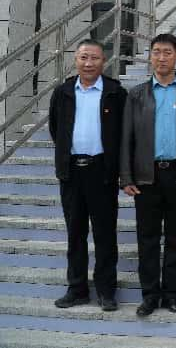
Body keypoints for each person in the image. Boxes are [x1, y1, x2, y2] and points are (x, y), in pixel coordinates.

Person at [119, 34, 176, 317]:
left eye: (167, 52)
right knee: (148, 239)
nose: (162, 57)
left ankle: (172, 294)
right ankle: (150, 295)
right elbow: (127, 138)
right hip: (147, 177)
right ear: (150, 56)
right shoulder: (137, 94)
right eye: (156, 52)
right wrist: (126, 176)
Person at [49, 40, 126, 312]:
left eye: (94, 58)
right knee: (75, 233)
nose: (89, 63)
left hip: (101, 171)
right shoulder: (63, 92)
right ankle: (77, 289)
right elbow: (56, 128)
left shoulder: (116, 93)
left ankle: (106, 290)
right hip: (71, 172)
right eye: (83, 57)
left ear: (103, 61)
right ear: (75, 60)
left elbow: (123, 133)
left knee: (105, 234)